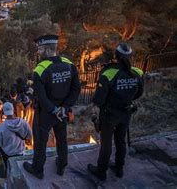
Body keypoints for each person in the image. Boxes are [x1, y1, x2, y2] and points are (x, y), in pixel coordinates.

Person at [23, 34, 81, 179]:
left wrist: (54, 110)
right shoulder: (69, 64)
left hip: (46, 113)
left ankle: (38, 169)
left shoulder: (41, 69)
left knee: (41, 141)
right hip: (63, 111)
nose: (38, 52)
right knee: (62, 139)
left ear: (47, 49)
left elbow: (40, 96)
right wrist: (65, 108)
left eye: (39, 49)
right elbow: (76, 89)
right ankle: (61, 165)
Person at [88, 43, 144, 181]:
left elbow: (99, 99)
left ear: (116, 56)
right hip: (126, 112)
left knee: (106, 144)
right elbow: (139, 93)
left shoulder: (108, 73)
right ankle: (119, 168)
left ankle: (101, 171)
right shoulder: (137, 73)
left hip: (109, 114)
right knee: (121, 140)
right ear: (130, 57)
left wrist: (97, 113)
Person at [0, 102, 32, 172]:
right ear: (13, 110)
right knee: (21, 172)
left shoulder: (1, 127)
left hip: (8, 155)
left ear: (4, 112)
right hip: (21, 153)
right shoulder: (24, 123)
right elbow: (29, 136)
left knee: (11, 173)